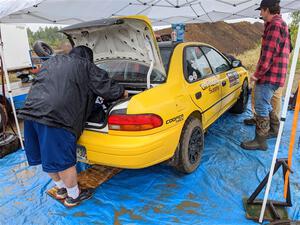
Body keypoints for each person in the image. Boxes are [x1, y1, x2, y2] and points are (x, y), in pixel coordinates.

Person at [18, 46, 127, 207]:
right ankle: (74, 196)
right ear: (88, 58)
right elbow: (109, 90)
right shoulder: (86, 66)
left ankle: (61, 188)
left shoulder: (51, 62)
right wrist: (122, 92)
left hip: (30, 113)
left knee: (45, 156)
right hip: (56, 118)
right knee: (64, 161)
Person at [241, 0, 291, 151]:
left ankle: (260, 141)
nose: (260, 14)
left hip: (270, 74)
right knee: (266, 103)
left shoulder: (275, 26)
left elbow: (268, 54)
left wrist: (257, 74)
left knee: (261, 106)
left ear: (267, 10)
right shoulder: (279, 24)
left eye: (261, 11)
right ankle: (274, 130)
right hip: (276, 74)